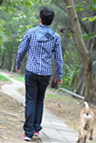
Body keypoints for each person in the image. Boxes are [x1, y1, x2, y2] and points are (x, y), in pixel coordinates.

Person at [16, 7, 63, 141]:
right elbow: (59, 58)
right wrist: (59, 75)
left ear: (40, 19)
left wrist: (18, 64)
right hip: (45, 73)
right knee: (40, 100)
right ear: (51, 21)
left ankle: (28, 132)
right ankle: (36, 128)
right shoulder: (55, 37)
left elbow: (21, 50)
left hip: (31, 71)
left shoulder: (31, 33)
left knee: (30, 100)